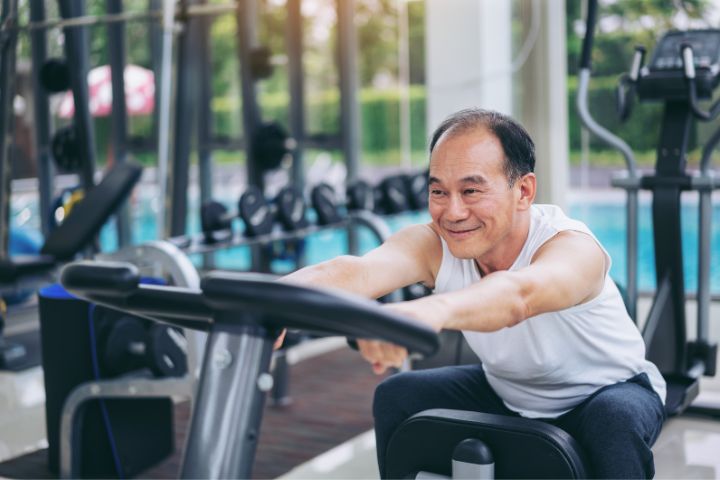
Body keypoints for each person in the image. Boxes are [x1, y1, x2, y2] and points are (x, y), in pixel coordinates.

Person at [281, 108, 666, 479]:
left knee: (615, 419)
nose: (452, 212)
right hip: (507, 389)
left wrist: (427, 312)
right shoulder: (437, 243)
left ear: (524, 191)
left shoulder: (572, 247)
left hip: (606, 391)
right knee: (398, 396)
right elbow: (357, 271)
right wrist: (277, 300)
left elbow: (518, 296)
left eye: (470, 190)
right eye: (438, 192)